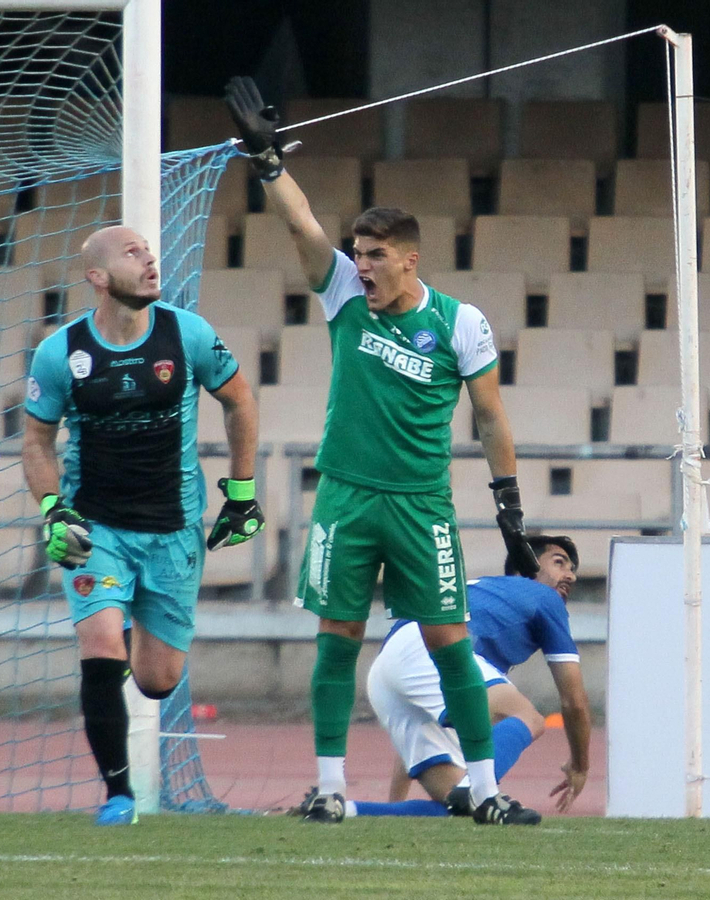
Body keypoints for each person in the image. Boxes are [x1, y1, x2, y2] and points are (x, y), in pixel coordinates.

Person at [225, 77, 542, 825]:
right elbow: (302, 224)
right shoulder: (341, 292)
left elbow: (491, 417)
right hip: (346, 495)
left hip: (421, 503)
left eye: (373, 256)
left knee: (449, 645)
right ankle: (330, 788)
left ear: (409, 258)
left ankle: (488, 793)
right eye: (357, 254)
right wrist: (270, 165)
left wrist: (509, 507)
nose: (358, 265)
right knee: (336, 640)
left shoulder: (461, 323)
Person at [22, 225, 264, 826]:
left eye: (150, 253)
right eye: (134, 255)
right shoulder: (60, 353)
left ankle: (129, 613)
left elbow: (240, 400)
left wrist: (241, 492)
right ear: (98, 278)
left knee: (158, 680)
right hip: (94, 527)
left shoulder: (188, 334)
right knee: (101, 645)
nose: (151, 262)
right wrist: (53, 509)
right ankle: (118, 796)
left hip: (173, 528)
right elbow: (36, 439)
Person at [344, 535, 590, 818]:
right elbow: (574, 700)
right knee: (526, 718)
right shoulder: (545, 598)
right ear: (524, 569)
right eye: (559, 563)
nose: (570, 575)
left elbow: (420, 724)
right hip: (430, 648)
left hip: (385, 669)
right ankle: (480, 792)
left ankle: (344, 811)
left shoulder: (488, 594)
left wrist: (393, 805)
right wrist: (580, 766)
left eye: (573, 569)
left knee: (455, 807)